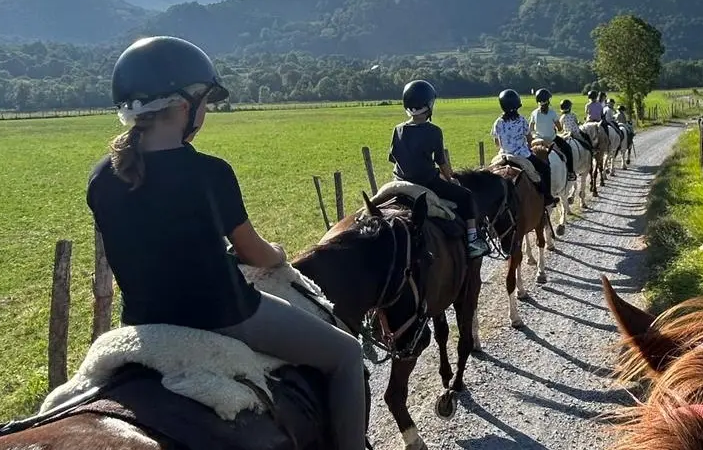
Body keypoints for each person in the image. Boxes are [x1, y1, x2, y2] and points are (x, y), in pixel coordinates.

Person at [88, 36, 366, 450]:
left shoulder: (103, 176)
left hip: (144, 323)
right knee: (346, 355)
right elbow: (254, 252)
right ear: (186, 104)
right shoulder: (210, 172)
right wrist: (277, 254)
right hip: (227, 314)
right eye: (205, 102)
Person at [389, 80, 489, 258]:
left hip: (399, 182)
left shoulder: (397, 129)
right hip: (428, 182)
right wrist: (451, 179)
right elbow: (442, 162)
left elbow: (393, 158)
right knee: (466, 196)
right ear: (428, 105)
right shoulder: (434, 131)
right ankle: (473, 241)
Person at [493, 89, 555, 206]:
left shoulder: (498, 122)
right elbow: (530, 139)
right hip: (522, 155)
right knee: (545, 168)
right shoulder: (521, 120)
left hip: (503, 155)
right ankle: (547, 197)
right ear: (517, 105)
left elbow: (497, 142)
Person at [529, 88, 575, 181]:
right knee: (568, 149)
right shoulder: (552, 112)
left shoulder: (534, 113)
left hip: (538, 140)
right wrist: (554, 128)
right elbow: (560, 128)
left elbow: (530, 128)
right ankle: (570, 172)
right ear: (548, 100)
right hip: (552, 139)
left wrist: (535, 135)